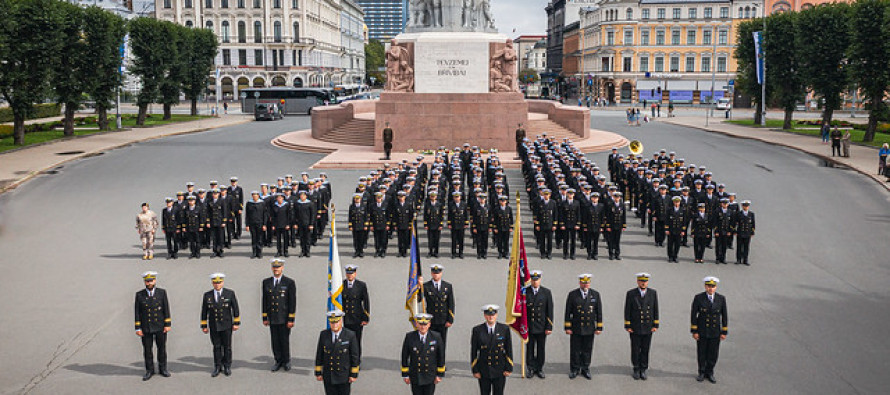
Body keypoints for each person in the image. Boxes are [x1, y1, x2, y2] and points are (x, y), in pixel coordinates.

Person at [201, 273, 240, 377]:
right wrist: (204, 325)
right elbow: (204, 311)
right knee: (216, 346)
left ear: (222, 282)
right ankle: (217, 366)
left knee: (227, 346)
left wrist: (236, 322)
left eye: (219, 282)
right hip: (214, 325)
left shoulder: (229, 293)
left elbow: (235, 308)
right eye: (215, 283)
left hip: (226, 324)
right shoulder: (207, 295)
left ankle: (227, 365)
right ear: (212, 283)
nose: (217, 285)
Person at [564, 274, 602, 380]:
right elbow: (568, 312)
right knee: (575, 349)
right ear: (580, 283)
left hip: (589, 327)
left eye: (587, 283)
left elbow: (599, 312)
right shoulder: (573, 295)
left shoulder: (595, 295)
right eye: (583, 283)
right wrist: (567, 327)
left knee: (587, 349)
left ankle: (585, 368)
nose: (585, 285)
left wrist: (599, 327)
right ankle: (575, 369)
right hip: (576, 327)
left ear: (589, 283)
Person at [691, 276, 728, 384]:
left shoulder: (721, 299)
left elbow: (724, 315)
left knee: (713, 353)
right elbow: (694, 314)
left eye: (713, 286)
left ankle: (710, 372)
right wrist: (694, 331)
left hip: (715, 331)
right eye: (709, 286)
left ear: (716, 287)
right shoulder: (699, 298)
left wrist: (724, 331)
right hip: (702, 330)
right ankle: (701, 372)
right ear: (705, 286)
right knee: (702, 352)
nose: (711, 289)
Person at [135, 271, 171, 381]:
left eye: (151, 280)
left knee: (161, 348)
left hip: (160, 325)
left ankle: (163, 368)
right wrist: (138, 327)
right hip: (146, 327)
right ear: (144, 282)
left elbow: (166, 308)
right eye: (147, 281)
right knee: (147, 349)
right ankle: (149, 370)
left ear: (155, 281)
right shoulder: (139, 294)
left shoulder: (161, 293)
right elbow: (137, 312)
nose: (149, 283)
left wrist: (167, 324)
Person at [315, 310, 361, 395]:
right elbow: (319, 354)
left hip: (343, 375)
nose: (334, 325)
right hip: (329, 375)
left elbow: (354, 356)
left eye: (337, 322)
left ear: (341, 321)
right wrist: (318, 372)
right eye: (332, 323)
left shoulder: (350, 335)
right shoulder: (324, 334)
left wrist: (354, 373)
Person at [470, 305, 513, 395]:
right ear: (485, 316)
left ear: (496, 315)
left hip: (499, 369)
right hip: (484, 369)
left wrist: (509, 367)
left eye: (493, 315)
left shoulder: (504, 329)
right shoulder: (477, 330)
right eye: (488, 315)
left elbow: (508, 349)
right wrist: (475, 369)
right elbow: (474, 351)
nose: (490, 317)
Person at [262, 259, 297, 372]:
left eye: (278, 267)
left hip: (284, 317)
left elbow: (292, 301)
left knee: (284, 340)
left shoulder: (289, 282)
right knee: (275, 340)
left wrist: (291, 318)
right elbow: (264, 300)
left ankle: (286, 361)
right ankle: (278, 360)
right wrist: (264, 317)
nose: (276, 269)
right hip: (272, 316)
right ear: (272, 268)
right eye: (274, 267)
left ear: (282, 268)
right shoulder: (266, 282)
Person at [624, 272, 659, 380]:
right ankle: (636, 368)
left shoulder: (653, 293)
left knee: (645, 348)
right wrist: (627, 325)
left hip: (648, 326)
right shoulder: (631, 293)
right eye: (641, 281)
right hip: (635, 326)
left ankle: (643, 369)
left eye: (645, 281)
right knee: (635, 348)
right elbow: (627, 310)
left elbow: (655, 309)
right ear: (637, 281)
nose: (643, 283)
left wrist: (655, 324)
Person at [401, 313, 446, 395]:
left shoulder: (436, 337)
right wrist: (405, 375)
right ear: (416, 324)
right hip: (415, 375)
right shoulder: (410, 337)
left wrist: (440, 374)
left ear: (429, 324)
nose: (423, 327)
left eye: (425, 325)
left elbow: (441, 356)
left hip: (430, 375)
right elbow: (405, 356)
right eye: (420, 324)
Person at [525, 270, 553, 379]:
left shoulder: (546, 292)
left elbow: (549, 310)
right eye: (533, 280)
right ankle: (531, 368)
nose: (535, 282)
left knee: (541, 348)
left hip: (541, 326)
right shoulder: (525, 292)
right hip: (529, 326)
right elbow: (522, 311)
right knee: (530, 348)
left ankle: (540, 368)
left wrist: (549, 326)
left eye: (537, 280)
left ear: (540, 280)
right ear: (530, 280)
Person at [421, 264, 455, 348]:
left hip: (443, 320)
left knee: (442, 343)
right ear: (431, 274)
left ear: (441, 273)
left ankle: (441, 361)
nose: (436, 275)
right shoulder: (425, 286)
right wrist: (418, 286)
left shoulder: (447, 286)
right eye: (434, 273)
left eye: (438, 273)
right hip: (431, 320)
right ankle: (431, 361)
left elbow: (451, 303)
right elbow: (419, 299)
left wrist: (450, 319)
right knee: (430, 343)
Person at [342, 264, 371, 352]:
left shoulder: (361, 285)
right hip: (345, 317)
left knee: (356, 340)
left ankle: (356, 361)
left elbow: (366, 301)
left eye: (352, 273)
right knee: (345, 341)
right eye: (348, 273)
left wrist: (366, 317)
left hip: (357, 318)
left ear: (355, 273)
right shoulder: (341, 284)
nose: (350, 275)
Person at [245, 191, 268, 258]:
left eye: (256, 195)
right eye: (253, 196)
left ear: (258, 196)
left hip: (260, 223)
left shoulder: (262, 203)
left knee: (260, 238)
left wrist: (264, 224)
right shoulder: (249, 203)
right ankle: (254, 252)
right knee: (254, 238)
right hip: (252, 223)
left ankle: (259, 252)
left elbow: (265, 214)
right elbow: (247, 215)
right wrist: (247, 225)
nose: (255, 197)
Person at [348, 194, 369, 258]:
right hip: (355, 225)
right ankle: (356, 251)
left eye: (358, 199)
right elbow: (350, 217)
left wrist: (366, 225)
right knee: (355, 239)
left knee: (361, 239)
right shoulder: (352, 206)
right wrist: (350, 225)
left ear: (360, 199)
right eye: (356, 199)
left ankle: (361, 251)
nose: (357, 200)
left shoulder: (364, 206)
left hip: (362, 225)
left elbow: (366, 216)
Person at [734, 200, 755, 265]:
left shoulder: (751, 214)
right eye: (744, 206)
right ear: (742, 206)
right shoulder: (738, 214)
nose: (745, 207)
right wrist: (735, 231)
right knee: (739, 247)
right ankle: (738, 259)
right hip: (740, 232)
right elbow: (735, 223)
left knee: (746, 247)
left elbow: (753, 224)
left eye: (747, 206)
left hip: (747, 233)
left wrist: (752, 232)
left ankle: (745, 260)